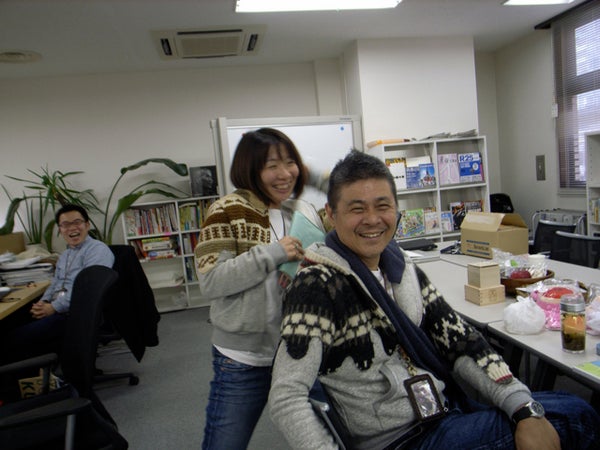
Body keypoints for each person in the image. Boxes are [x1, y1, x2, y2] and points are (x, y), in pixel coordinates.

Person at [268, 151, 600, 450]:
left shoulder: (400, 267)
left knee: (557, 405)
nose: (372, 219)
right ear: (331, 213)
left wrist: (522, 407)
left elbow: (462, 341)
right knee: (578, 416)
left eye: (382, 206)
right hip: (402, 437)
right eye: (357, 208)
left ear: (396, 209)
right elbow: (287, 396)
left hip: (439, 414)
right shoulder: (316, 285)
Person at [194, 127, 326, 450]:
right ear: (251, 169)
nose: (284, 174)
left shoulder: (300, 211)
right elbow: (211, 281)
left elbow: (350, 189)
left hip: (299, 353)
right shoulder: (226, 210)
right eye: (272, 165)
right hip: (244, 358)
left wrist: (308, 175)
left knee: (332, 436)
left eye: (290, 163)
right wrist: (273, 254)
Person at [0, 204, 114, 364]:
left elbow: (87, 291)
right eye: (65, 225)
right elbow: (55, 283)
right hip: (58, 309)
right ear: (60, 229)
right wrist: (43, 302)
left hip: (77, 314)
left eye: (77, 222)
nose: (72, 228)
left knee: (12, 338)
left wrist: (53, 307)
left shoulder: (97, 250)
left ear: (87, 225)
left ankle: (23, 373)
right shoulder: (66, 254)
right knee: (9, 322)